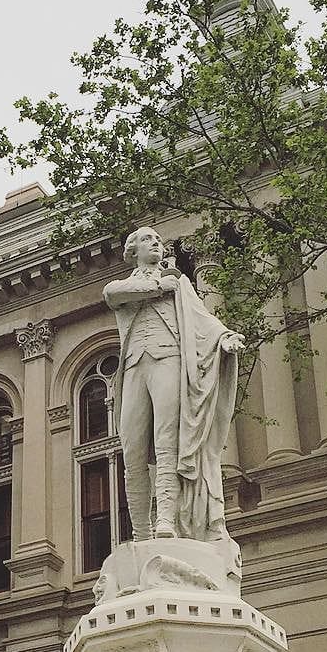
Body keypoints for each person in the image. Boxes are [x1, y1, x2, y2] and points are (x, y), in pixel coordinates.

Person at [103, 227, 244, 541]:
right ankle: (140, 532)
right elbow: (112, 294)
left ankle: (165, 518)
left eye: (158, 240)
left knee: (167, 442)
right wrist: (158, 286)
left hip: (167, 359)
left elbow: (202, 319)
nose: (156, 243)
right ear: (133, 251)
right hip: (133, 367)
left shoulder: (180, 285)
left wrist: (224, 337)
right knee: (132, 451)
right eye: (147, 239)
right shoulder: (131, 285)